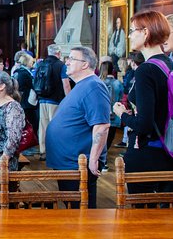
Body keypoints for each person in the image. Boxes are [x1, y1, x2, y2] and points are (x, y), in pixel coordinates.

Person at [112, 10, 173, 197]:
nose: (130, 36)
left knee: (141, 218)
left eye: (133, 30)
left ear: (146, 33)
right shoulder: (170, 64)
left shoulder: (146, 70)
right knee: (167, 217)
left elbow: (144, 125)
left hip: (146, 152)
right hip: (169, 150)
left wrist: (121, 114)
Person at [46, 46, 110, 208]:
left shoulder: (94, 86)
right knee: (72, 211)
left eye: (72, 58)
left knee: (81, 212)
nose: (66, 62)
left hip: (79, 164)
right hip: (69, 163)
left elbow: (102, 126)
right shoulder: (83, 85)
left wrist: (94, 159)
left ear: (85, 64)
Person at [0, 70, 24, 208]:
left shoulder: (13, 107)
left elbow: (14, 137)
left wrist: (3, 160)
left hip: (0, 164)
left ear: (1, 86)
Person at [36, 44, 70, 161]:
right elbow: (66, 84)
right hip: (55, 100)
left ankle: (43, 151)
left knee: (43, 126)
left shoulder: (40, 64)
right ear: (59, 53)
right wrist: (69, 99)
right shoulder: (61, 66)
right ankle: (55, 151)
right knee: (55, 126)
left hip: (42, 99)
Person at [13, 53, 38, 155]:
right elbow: (27, 86)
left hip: (21, 101)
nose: (33, 63)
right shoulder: (25, 73)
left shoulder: (17, 71)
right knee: (30, 124)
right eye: (31, 61)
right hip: (26, 102)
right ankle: (26, 147)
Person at [99, 60, 123, 152]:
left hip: (100, 114)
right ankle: (104, 158)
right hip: (114, 114)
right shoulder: (117, 83)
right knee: (109, 139)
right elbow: (121, 98)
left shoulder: (98, 82)